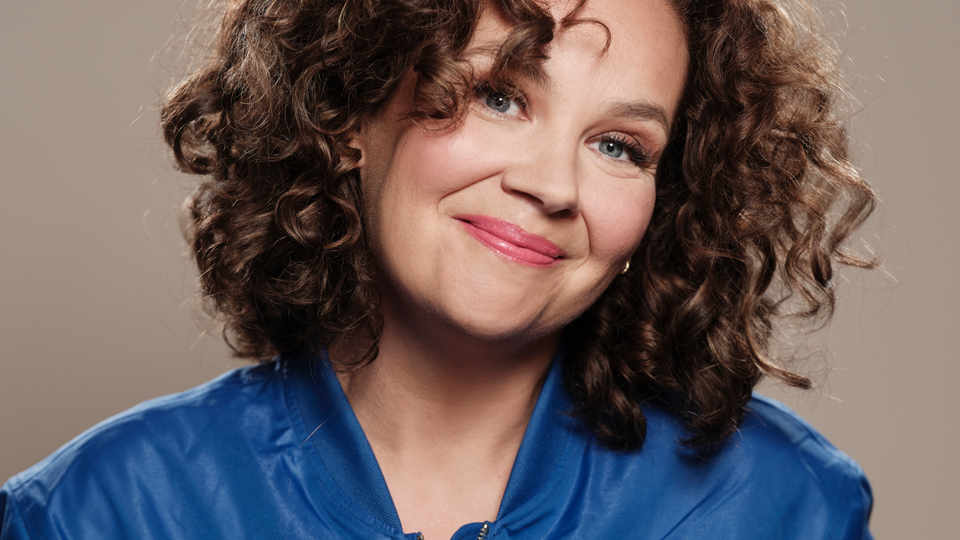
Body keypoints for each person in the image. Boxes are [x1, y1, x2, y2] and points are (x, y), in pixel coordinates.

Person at [0, 0, 877, 538]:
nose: (551, 185)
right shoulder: (102, 513)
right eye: (500, 96)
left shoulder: (785, 508)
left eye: (619, 145)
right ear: (351, 111)